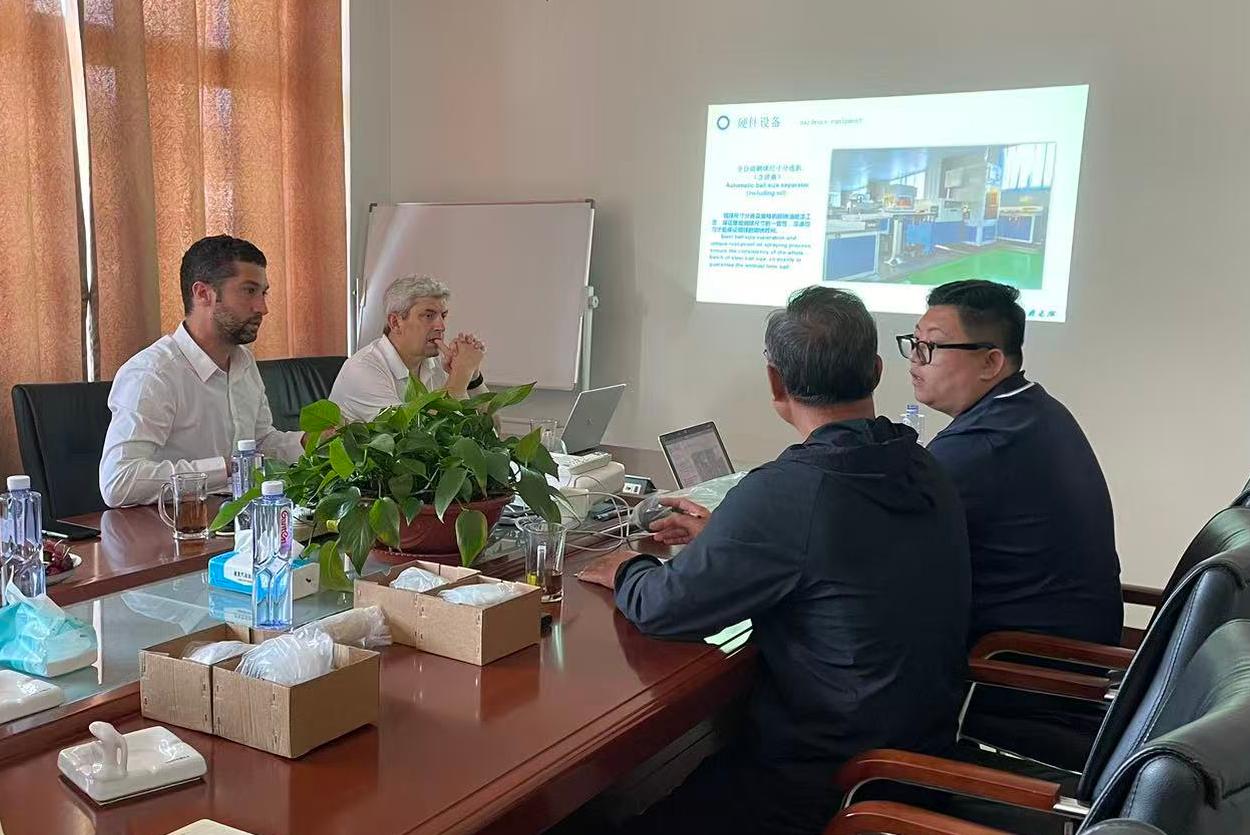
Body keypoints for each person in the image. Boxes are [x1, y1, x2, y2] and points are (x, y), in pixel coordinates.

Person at [578, 287, 971, 835]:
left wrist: (626, 566)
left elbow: (664, 608)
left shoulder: (790, 491)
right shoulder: (921, 463)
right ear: (877, 371)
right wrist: (729, 538)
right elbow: (840, 553)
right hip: (915, 758)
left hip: (827, 785)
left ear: (774, 382)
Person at [902, 279, 1122, 646]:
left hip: (1018, 660)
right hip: (1064, 641)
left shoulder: (986, 442)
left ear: (991, 362)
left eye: (932, 346)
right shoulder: (1030, 409)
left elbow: (887, 537)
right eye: (914, 342)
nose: (915, 357)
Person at [99, 236, 304, 507]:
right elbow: (118, 481)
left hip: (233, 519)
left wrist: (308, 442)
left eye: (263, 293)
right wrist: (226, 468)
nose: (262, 308)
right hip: (171, 526)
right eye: (249, 291)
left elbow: (259, 444)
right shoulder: (153, 374)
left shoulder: (243, 361)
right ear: (203, 294)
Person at [330, 275, 488, 422]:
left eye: (443, 316)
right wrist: (460, 374)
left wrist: (473, 377)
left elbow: (493, 428)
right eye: (428, 316)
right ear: (395, 323)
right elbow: (413, 435)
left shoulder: (437, 363)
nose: (441, 326)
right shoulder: (362, 369)